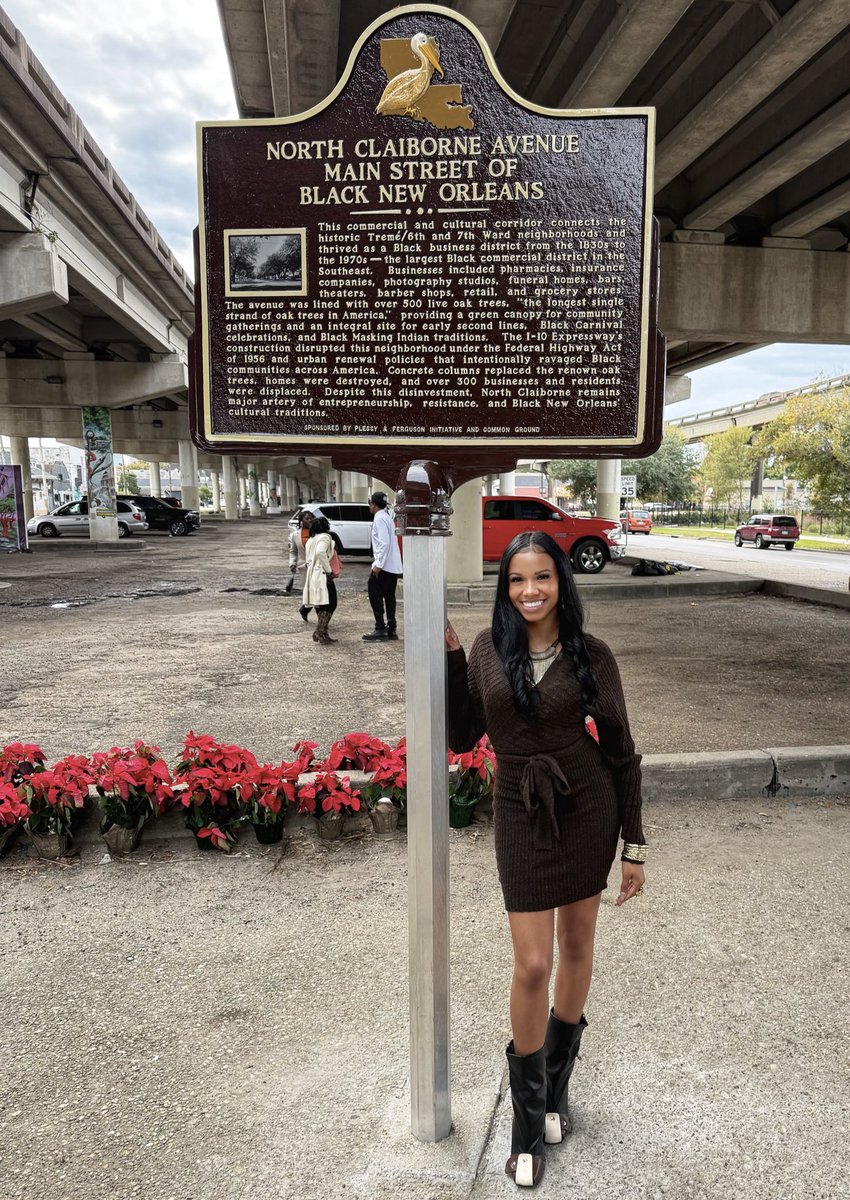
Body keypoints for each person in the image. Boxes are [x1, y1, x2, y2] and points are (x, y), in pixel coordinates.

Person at [444, 530, 647, 1189]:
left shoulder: (592, 655)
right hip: (519, 812)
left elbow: (621, 752)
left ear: (562, 583)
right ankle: (527, 1122)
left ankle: (553, 1093)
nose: (529, 591)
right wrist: (449, 659)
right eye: (516, 581)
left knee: (578, 944)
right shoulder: (485, 649)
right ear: (505, 589)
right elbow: (461, 735)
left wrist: (634, 846)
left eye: (542, 579)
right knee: (533, 964)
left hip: (586, 808)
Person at [362, 492, 403, 642]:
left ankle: (380, 628)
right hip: (393, 566)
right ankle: (391, 629)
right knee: (389, 596)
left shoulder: (379, 519)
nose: (369, 506)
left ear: (373, 504)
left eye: (370, 503)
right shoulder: (387, 517)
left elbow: (383, 544)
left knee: (374, 593)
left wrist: (378, 565)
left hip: (384, 566)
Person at [302, 515, 337, 644]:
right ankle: (320, 631)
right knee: (331, 603)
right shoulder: (325, 537)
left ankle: (323, 632)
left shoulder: (311, 539)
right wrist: (328, 571)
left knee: (321, 603)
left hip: (312, 574)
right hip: (321, 573)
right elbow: (320, 552)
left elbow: (309, 558)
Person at [286, 511, 313, 618]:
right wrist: (292, 563)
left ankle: (307, 609)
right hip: (303, 567)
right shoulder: (295, 535)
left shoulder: (316, 532)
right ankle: (305, 609)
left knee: (318, 590)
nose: (309, 520)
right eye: (307, 518)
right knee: (308, 591)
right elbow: (293, 551)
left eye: (311, 518)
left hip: (316, 566)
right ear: (301, 521)